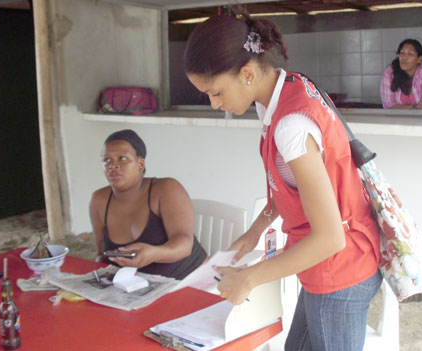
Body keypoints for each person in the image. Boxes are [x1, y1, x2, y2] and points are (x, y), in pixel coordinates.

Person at [184, 13, 382, 351]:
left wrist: (248, 279)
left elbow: (330, 238)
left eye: (216, 92)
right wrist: (252, 234)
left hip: (340, 269)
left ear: (247, 74)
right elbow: (290, 189)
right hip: (331, 264)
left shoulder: (291, 125)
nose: (216, 104)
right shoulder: (287, 88)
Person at [89, 129, 206, 280]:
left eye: (122, 159)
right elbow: (102, 256)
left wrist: (154, 254)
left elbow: (184, 245)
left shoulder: (165, 189)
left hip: (190, 280)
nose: (113, 165)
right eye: (107, 160)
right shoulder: (99, 201)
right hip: (136, 288)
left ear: (140, 164)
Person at [380, 38, 422, 109]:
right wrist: (414, 107)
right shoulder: (390, 73)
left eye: (410, 54)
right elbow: (388, 106)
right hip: (398, 119)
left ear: (419, 59)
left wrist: (404, 108)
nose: (404, 57)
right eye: (402, 53)